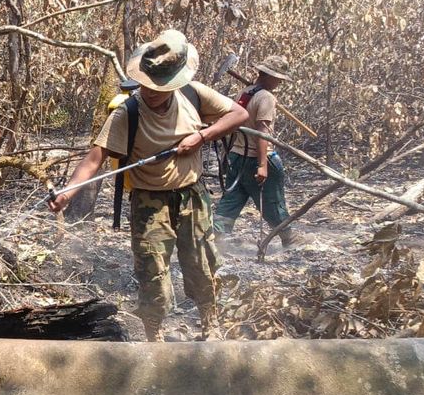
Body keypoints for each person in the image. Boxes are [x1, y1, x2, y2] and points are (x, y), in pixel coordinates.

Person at [48, 29, 248, 341]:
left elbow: (239, 113)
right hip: (149, 202)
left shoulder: (193, 95)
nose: (150, 91)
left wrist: (202, 137)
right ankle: (153, 335)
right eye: (146, 84)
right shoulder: (127, 113)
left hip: (192, 196)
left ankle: (211, 324)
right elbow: (94, 158)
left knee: (201, 262)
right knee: (152, 271)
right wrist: (67, 193)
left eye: (159, 87)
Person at [213, 55, 296, 246]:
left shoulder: (244, 93)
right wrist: (263, 165)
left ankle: (214, 237)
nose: (279, 84)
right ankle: (288, 237)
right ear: (269, 76)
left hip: (237, 157)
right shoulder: (266, 97)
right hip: (257, 157)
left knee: (231, 200)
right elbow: (262, 133)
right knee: (272, 201)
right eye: (278, 79)